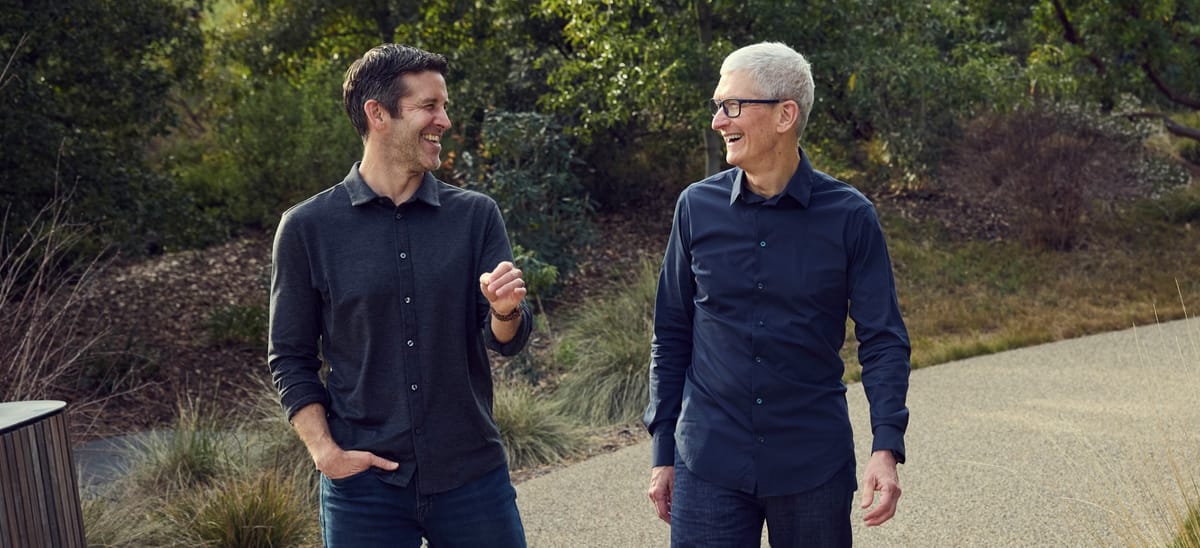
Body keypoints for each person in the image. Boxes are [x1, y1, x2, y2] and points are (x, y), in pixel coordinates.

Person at [644, 42, 911, 547]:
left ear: (786, 113)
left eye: (734, 106)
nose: (720, 120)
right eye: (718, 106)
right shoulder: (695, 208)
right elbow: (671, 334)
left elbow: (883, 340)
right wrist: (663, 452)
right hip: (708, 463)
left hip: (813, 466)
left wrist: (886, 446)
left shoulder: (850, 216)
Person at [268, 43, 532, 547]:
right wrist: (326, 453)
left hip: (471, 477)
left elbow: (506, 340)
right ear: (378, 114)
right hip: (363, 490)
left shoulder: (475, 216)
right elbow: (290, 357)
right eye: (430, 106)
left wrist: (504, 311)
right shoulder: (306, 228)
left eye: (445, 106)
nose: (445, 120)